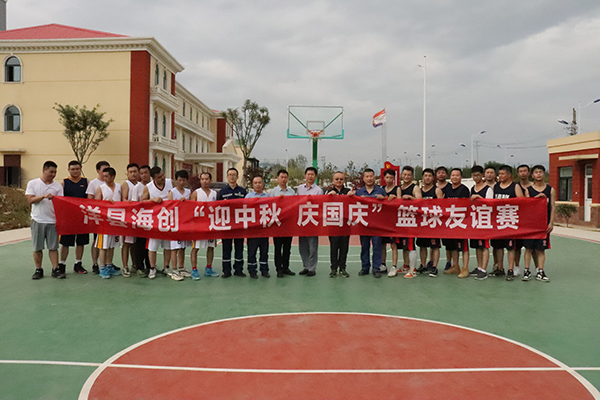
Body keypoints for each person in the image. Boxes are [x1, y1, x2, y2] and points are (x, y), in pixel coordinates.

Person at [26, 161, 64, 280]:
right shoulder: (33, 183)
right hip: (38, 220)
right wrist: (43, 196)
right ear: (44, 170)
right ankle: (38, 269)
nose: (53, 174)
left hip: (52, 221)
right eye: (51, 172)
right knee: (37, 247)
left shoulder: (58, 186)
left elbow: (61, 203)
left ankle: (55, 269)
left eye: (55, 172)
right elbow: (30, 200)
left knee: (53, 247)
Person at [491, 165, 524, 281]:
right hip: (498, 221)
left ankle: (510, 269)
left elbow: (522, 202)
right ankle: (500, 268)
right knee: (498, 247)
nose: (500, 176)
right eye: (499, 174)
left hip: (511, 221)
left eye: (502, 174)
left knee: (510, 247)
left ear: (509, 175)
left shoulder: (515, 186)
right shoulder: (496, 187)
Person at [523, 165, 555, 282]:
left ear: (544, 174)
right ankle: (527, 271)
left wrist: (551, 223)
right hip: (531, 225)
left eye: (540, 172)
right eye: (536, 172)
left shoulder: (550, 190)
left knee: (541, 249)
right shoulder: (528, 190)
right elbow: (527, 206)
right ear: (532, 175)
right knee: (528, 248)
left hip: (543, 225)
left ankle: (540, 271)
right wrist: (536, 198)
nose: (538, 174)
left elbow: (553, 207)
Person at [141, 166, 174, 279]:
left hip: (168, 220)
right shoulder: (148, 187)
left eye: (163, 175)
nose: (162, 178)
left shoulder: (170, 182)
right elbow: (142, 201)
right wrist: (152, 199)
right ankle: (152, 268)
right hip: (155, 221)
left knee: (167, 246)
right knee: (152, 247)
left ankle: (166, 267)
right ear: (153, 178)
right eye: (159, 177)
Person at [58, 160, 89, 274]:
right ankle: (62, 264)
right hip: (68, 218)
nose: (75, 171)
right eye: (73, 169)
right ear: (68, 170)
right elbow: (59, 200)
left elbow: (90, 199)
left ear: (81, 169)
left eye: (77, 169)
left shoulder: (86, 182)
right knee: (65, 243)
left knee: (81, 242)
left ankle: (78, 264)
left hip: (82, 218)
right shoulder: (63, 183)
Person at [355, 168, 386, 278]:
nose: (369, 179)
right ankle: (365, 267)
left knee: (377, 246)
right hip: (363, 224)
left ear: (374, 177)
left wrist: (383, 199)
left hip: (377, 224)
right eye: (367, 177)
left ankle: (376, 268)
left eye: (371, 176)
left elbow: (388, 206)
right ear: (363, 178)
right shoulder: (359, 192)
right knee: (364, 246)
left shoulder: (381, 191)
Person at [218, 168, 247, 278]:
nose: (232, 176)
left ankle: (238, 270)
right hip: (227, 225)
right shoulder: (222, 192)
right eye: (230, 174)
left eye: (234, 175)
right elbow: (217, 207)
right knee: (226, 248)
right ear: (227, 177)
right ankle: (226, 271)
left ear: (237, 177)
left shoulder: (243, 191)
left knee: (239, 248)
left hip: (239, 224)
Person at [190, 172, 219, 280]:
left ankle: (209, 268)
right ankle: (194, 269)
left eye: (206, 179)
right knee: (195, 248)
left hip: (211, 225)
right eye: (202, 179)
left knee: (211, 247)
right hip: (199, 226)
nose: (204, 181)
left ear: (210, 180)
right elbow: (190, 209)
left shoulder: (214, 193)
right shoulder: (196, 193)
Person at [325, 171, 354, 278]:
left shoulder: (348, 191)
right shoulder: (329, 191)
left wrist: (352, 196)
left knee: (344, 247)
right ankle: (333, 269)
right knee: (334, 247)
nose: (339, 181)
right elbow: (322, 203)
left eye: (341, 179)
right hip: (333, 225)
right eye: (336, 179)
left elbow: (355, 204)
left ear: (344, 181)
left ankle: (342, 268)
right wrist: (328, 196)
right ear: (333, 181)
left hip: (345, 225)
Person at [94, 167, 122, 279]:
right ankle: (102, 267)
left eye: (107, 176)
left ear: (113, 176)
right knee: (103, 246)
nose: (104, 178)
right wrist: (105, 202)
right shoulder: (101, 188)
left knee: (112, 245)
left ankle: (109, 265)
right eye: (103, 176)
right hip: (104, 222)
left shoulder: (119, 187)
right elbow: (96, 204)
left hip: (116, 221)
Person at [443, 168, 471, 278]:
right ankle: (455, 266)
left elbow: (465, 205)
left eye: (457, 175)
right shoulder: (448, 190)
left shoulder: (464, 190)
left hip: (461, 222)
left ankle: (465, 268)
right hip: (450, 222)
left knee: (464, 246)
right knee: (453, 246)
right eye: (452, 175)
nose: (454, 177)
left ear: (461, 177)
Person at [416, 168, 444, 277]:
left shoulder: (437, 190)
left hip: (434, 222)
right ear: (422, 178)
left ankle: (434, 266)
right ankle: (423, 265)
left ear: (433, 178)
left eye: (429, 176)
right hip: (422, 223)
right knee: (422, 246)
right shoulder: (419, 191)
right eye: (425, 176)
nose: (427, 178)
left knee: (435, 246)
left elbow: (442, 206)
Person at [297, 166, 323, 276]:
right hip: (302, 220)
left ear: (315, 177)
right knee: (302, 246)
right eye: (308, 174)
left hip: (313, 220)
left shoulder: (318, 190)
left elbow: (320, 205)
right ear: (305, 176)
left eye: (312, 174)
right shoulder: (299, 189)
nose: (310, 176)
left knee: (312, 246)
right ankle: (305, 266)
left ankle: (312, 268)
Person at [269, 169, 296, 278]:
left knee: (287, 247)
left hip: (288, 224)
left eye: (285, 177)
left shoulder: (292, 192)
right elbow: (269, 206)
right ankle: (278, 269)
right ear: (278, 178)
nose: (284, 179)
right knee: (278, 248)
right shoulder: (273, 192)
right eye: (281, 177)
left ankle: (285, 267)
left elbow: (295, 206)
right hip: (277, 224)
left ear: (288, 179)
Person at [468, 165, 494, 280]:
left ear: (482, 175)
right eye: (474, 175)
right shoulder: (472, 188)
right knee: (477, 246)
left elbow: (491, 204)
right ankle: (479, 267)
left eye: (478, 175)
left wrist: (480, 198)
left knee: (484, 246)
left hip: (485, 221)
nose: (476, 177)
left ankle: (484, 269)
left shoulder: (488, 189)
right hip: (475, 220)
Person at [398, 166, 422, 279]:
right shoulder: (399, 188)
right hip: (401, 219)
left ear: (412, 176)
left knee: (411, 245)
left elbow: (420, 201)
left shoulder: (415, 187)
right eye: (404, 174)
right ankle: (406, 266)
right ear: (401, 175)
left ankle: (413, 269)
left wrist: (411, 198)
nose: (406, 176)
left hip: (411, 220)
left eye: (408, 175)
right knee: (404, 245)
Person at [167, 170, 192, 281]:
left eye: (183, 180)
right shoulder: (172, 192)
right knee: (174, 248)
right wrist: (179, 202)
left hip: (185, 223)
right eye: (179, 180)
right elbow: (169, 206)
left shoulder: (188, 192)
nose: (181, 182)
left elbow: (192, 206)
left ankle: (181, 267)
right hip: (175, 223)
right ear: (176, 180)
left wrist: (187, 202)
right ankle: (174, 269)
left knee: (182, 247)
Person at [86, 160, 110, 274]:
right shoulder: (93, 183)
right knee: (97, 240)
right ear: (98, 171)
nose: (106, 172)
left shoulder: (113, 184)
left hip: (110, 218)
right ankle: (95, 263)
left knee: (109, 241)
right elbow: (90, 200)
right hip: (99, 217)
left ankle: (108, 263)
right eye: (104, 170)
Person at [245, 176, 271, 279]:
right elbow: (244, 210)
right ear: (253, 185)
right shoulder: (248, 196)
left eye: (259, 182)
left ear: (263, 184)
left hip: (264, 229)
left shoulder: (268, 196)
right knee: (252, 252)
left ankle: (264, 270)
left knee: (264, 251)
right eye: (255, 183)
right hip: (253, 230)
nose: (258, 185)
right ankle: (252, 271)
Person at [120, 163, 142, 278]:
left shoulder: (141, 185)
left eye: (135, 172)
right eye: (131, 172)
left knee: (136, 243)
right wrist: (130, 202)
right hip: (128, 217)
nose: (133, 174)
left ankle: (135, 264)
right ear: (127, 173)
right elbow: (123, 199)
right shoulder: (126, 184)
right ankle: (125, 266)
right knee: (127, 243)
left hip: (140, 217)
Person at [132, 164, 152, 277]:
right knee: (140, 244)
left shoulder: (152, 186)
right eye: (142, 173)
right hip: (140, 219)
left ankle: (150, 265)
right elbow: (134, 204)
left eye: (146, 173)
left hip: (152, 219)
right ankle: (139, 266)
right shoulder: (137, 187)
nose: (144, 175)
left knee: (150, 243)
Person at [514, 164, 532, 277]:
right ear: (518, 173)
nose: (523, 173)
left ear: (528, 173)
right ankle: (516, 267)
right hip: (517, 220)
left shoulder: (534, 186)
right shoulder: (515, 186)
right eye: (520, 171)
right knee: (517, 247)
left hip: (530, 221)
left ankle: (537, 268)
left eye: (525, 171)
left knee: (532, 247)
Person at [381, 169, 399, 275]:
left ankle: (394, 266)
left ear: (394, 178)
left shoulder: (397, 189)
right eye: (387, 177)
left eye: (391, 177)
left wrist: (395, 198)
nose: (389, 179)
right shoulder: (381, 189)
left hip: (393, 221)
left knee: (393, 245)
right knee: (382, 244)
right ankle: (383, 264)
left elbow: (400, 202)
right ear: (384, 178)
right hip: (383, 221)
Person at [436, 166, 454, 272]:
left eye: (443, 173)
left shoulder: (451, 187)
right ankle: (431, 262)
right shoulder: (432, 187)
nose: (441, 174)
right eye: (439, 173)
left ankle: (449, 261)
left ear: (446, 175)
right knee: (433, 243)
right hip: (434, 219)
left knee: (449, 243)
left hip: (447, 218)